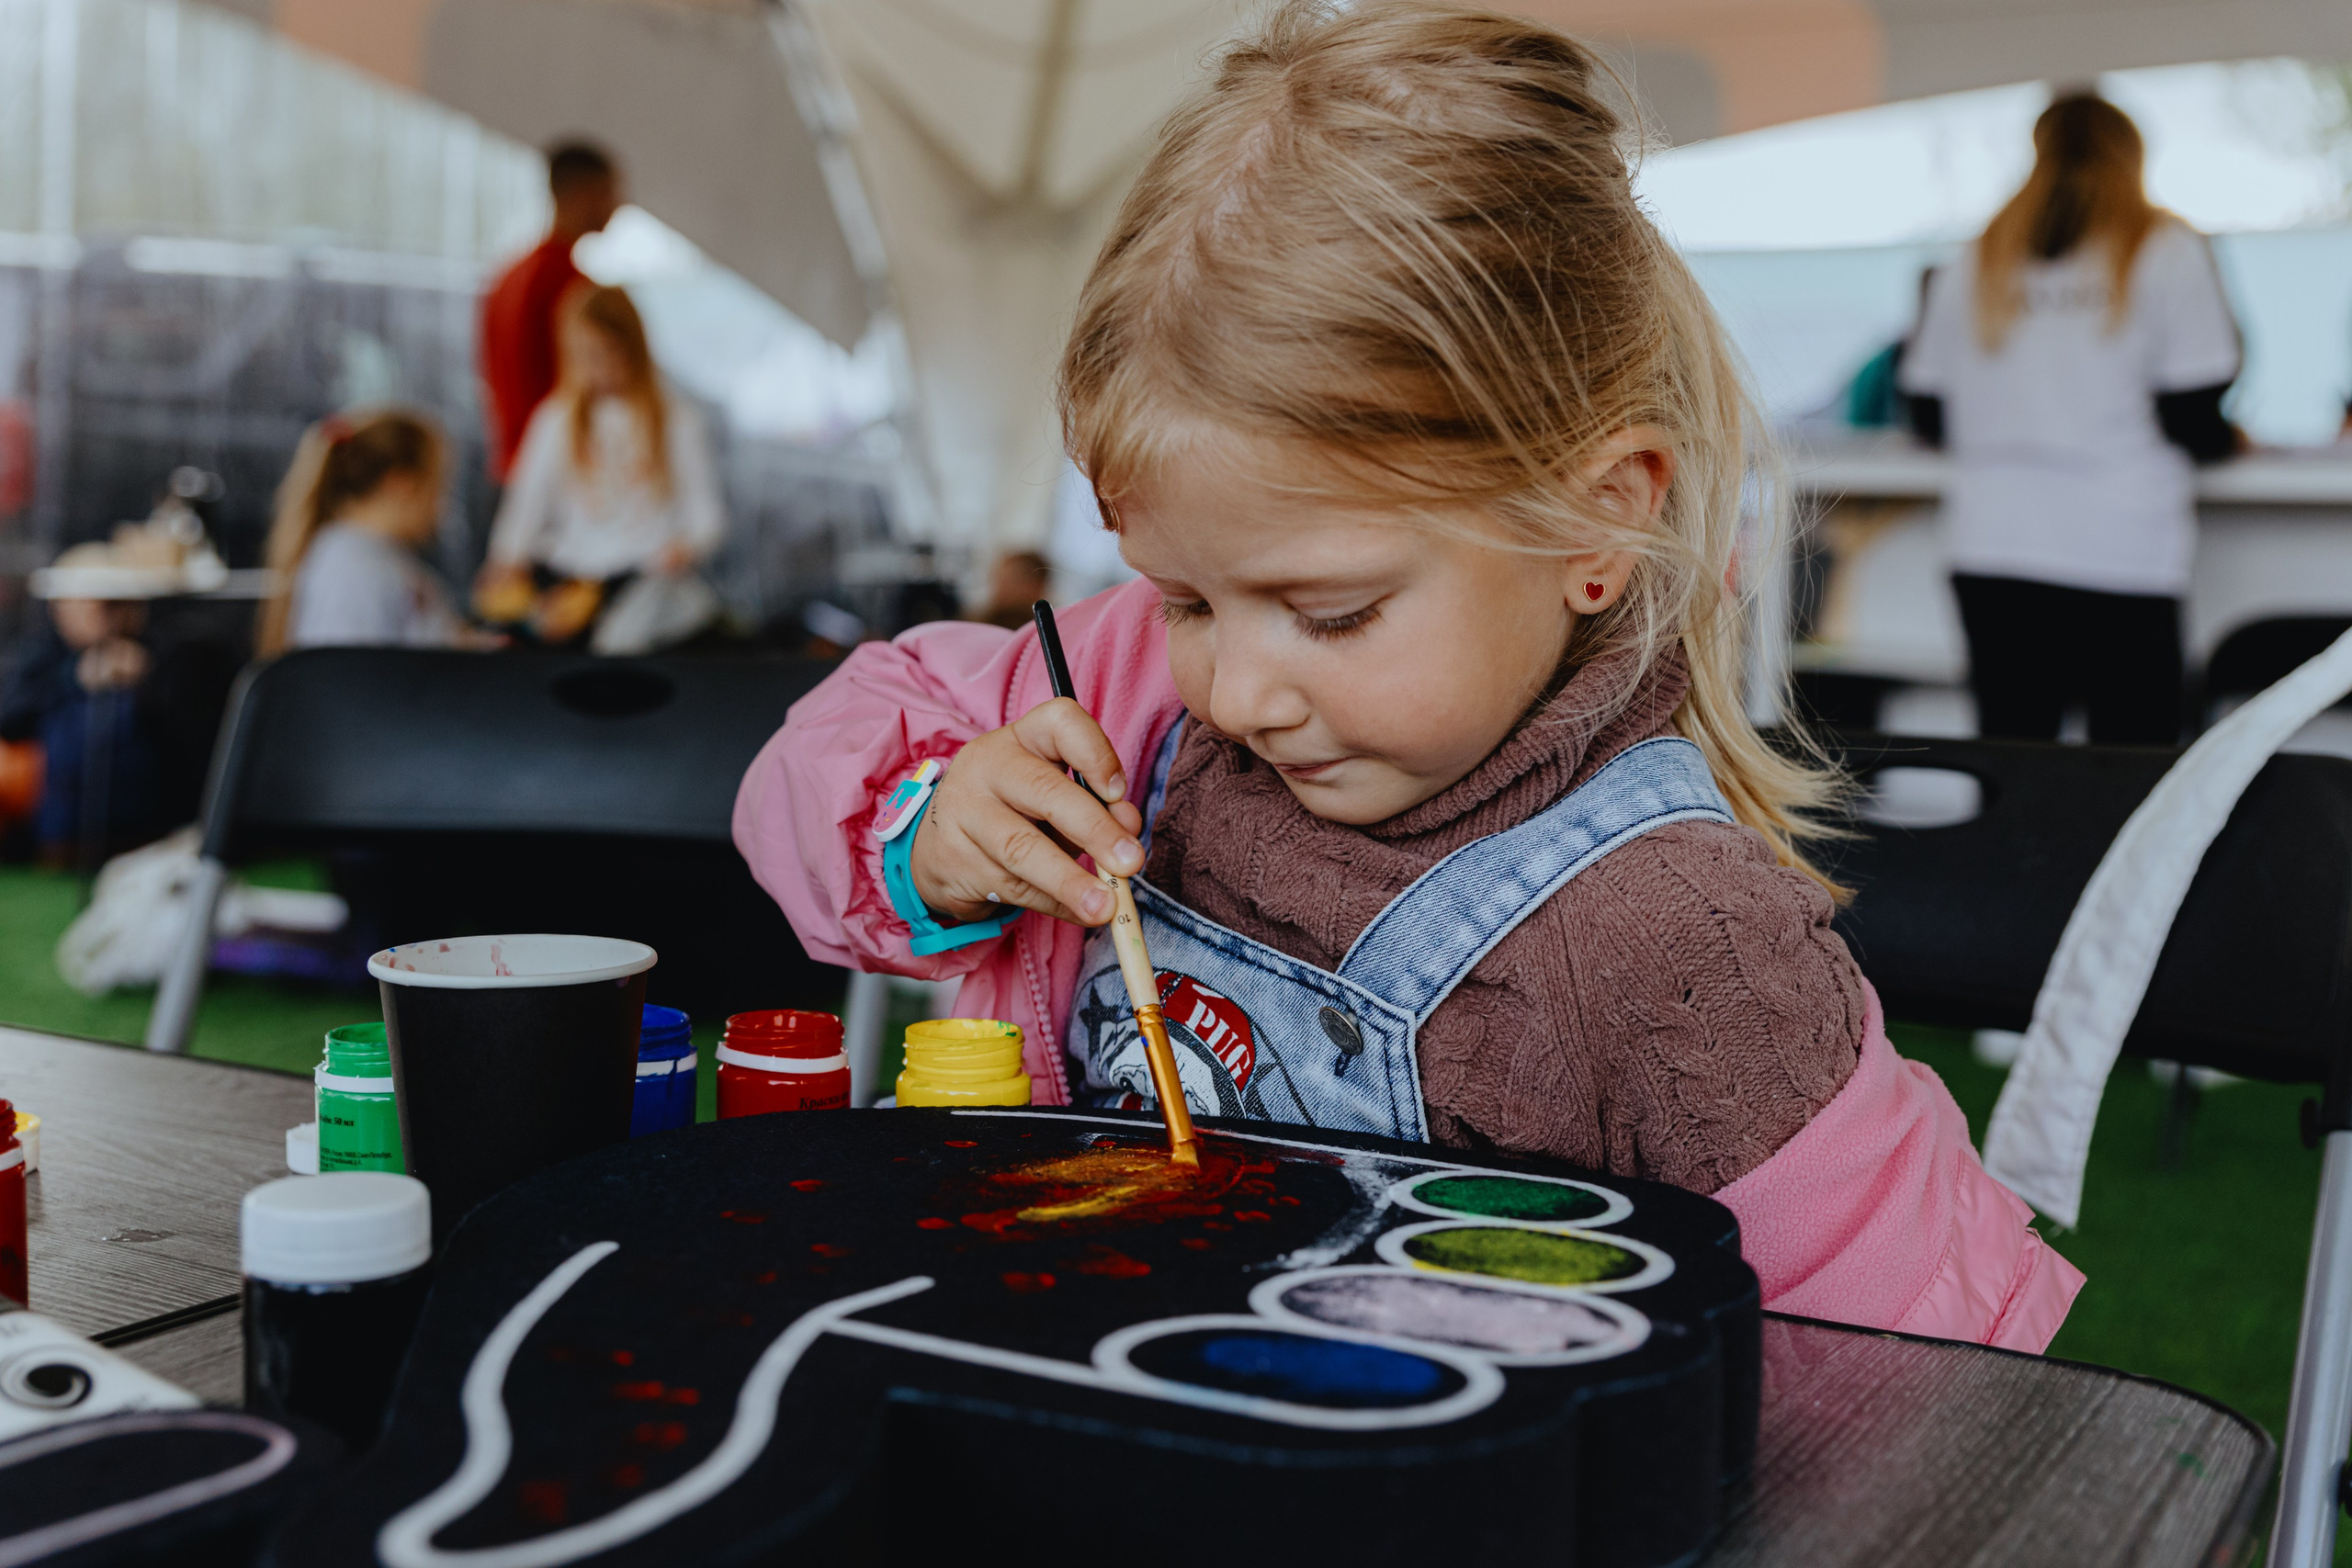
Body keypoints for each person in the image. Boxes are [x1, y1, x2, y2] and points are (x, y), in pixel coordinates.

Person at [736, 2, 2079, 1349]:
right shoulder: (1120, 689)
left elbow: (1915, 1371)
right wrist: (935, 827)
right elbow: (817, 760)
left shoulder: (1683, 948)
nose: (1236, 692)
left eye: (1333, 614)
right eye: (1187, 596)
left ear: (1597, 524)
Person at [1901, 93, 2242, 745]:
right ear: (2131, 155)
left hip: (1993, 539)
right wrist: (2231, 443)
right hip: (2119, 541)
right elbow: (2193, 413)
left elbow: (1927, 410)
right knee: (2130, 769)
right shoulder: (2164, 247)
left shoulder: (1980, 255)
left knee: (2014, 759)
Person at [476, 287, 725, 652]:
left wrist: (684, 548)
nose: (598, 368)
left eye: (608, 353)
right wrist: (506, 560)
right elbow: (527, 503)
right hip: (570, 580)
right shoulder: (556, 419)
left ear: (633, 349)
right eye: (585, 356)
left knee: (623, 640)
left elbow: (706, 517)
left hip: (642, 577)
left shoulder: (677, 420)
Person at [259, 410, 481, 655]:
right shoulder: (359, 573)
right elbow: (354, 674)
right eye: (440, 486)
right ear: (401, 485)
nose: (444, 505)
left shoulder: (367, 558)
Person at [1, 546, 162, 864]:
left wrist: (144, 678)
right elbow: (9, 715)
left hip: (143, 826)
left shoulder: (158, 654)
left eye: (112, 603)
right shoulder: (44, 656)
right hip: (50, 821)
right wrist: (75, 676)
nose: (100, 613)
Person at [480, 141, 622, 484]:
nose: (616, 206)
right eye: (609, 193)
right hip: (550, 469)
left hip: (512, 461)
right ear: (584, 194)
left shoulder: (509, 275)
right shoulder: (572, 287)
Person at [974, 550, 1053, 629]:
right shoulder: (978, 624)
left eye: (1011, 581)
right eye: (999, 581)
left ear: (1037, 585)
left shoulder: (1050, 627)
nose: (1000, 590)